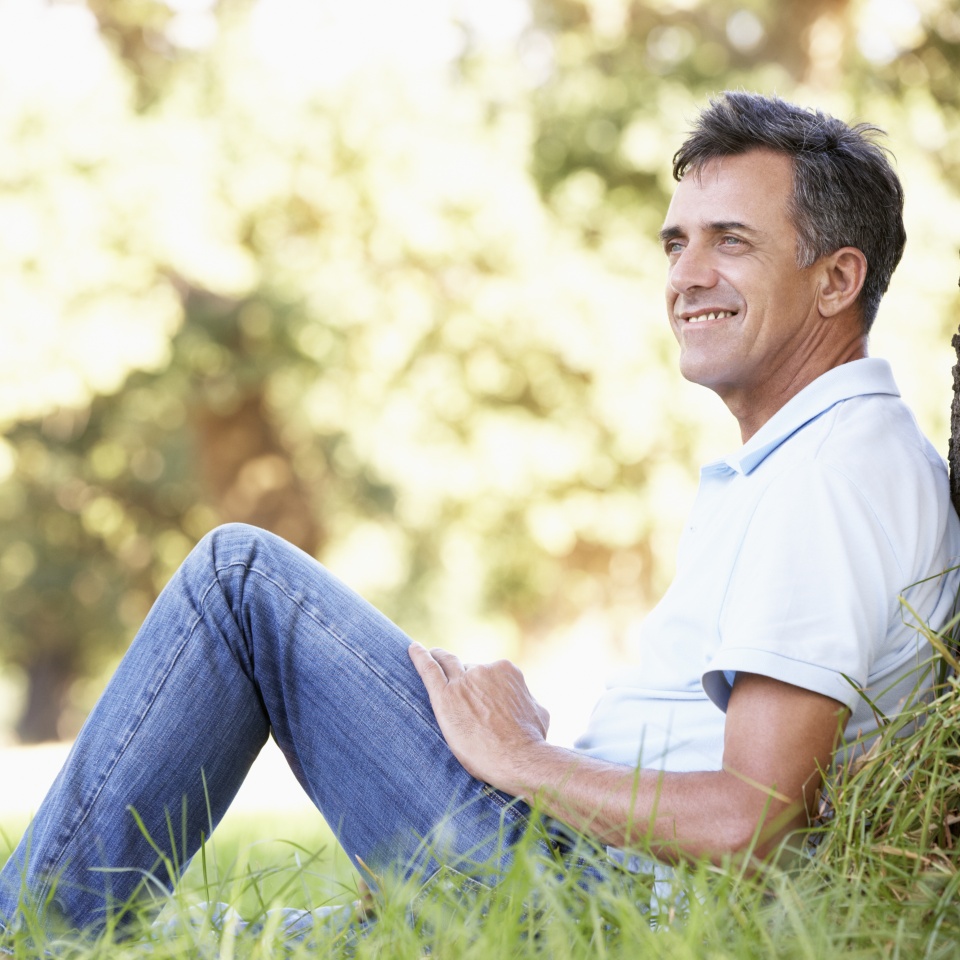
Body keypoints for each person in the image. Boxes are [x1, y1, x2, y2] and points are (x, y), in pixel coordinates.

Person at [2, 90, 959, 938]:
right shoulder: (819, 457)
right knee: (238, 933)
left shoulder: (834, 476)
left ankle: (22, 930)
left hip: (588, 906)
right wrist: (538, 759)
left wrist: (521, 758)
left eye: (731, 241)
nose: (687, 275)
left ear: (837, 279)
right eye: (678, 241)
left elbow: (748, 821)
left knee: (239, 581)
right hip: (581, 867)